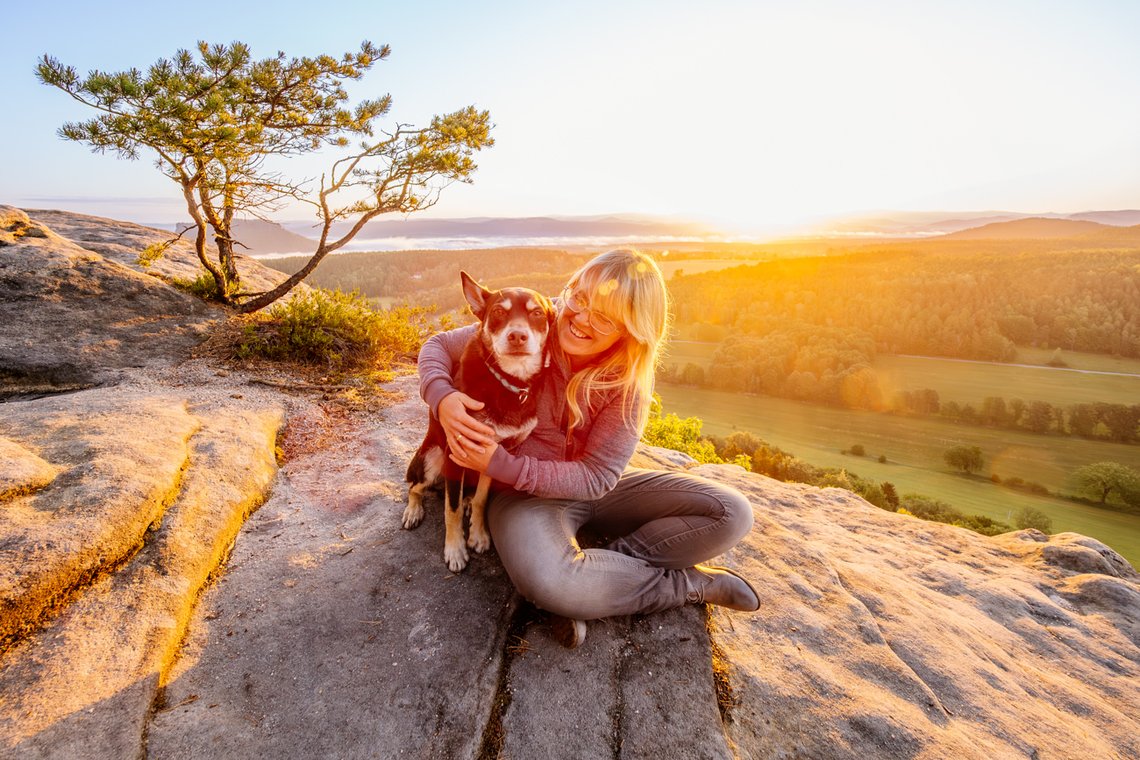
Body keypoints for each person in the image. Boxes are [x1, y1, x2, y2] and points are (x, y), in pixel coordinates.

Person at [417, 249, 757, 648]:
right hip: (524, 497)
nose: (580, 319)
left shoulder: (628, 383)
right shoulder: (542, 321)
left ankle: (602, 572)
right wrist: (442, 396)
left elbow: (597, 477)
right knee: (553, 580)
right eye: (579, 298)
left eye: (604, 316)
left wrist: (500, 461)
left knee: (732, 513)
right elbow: (439, 346)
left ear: (631, 329)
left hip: (598, 489)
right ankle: (684, 586)